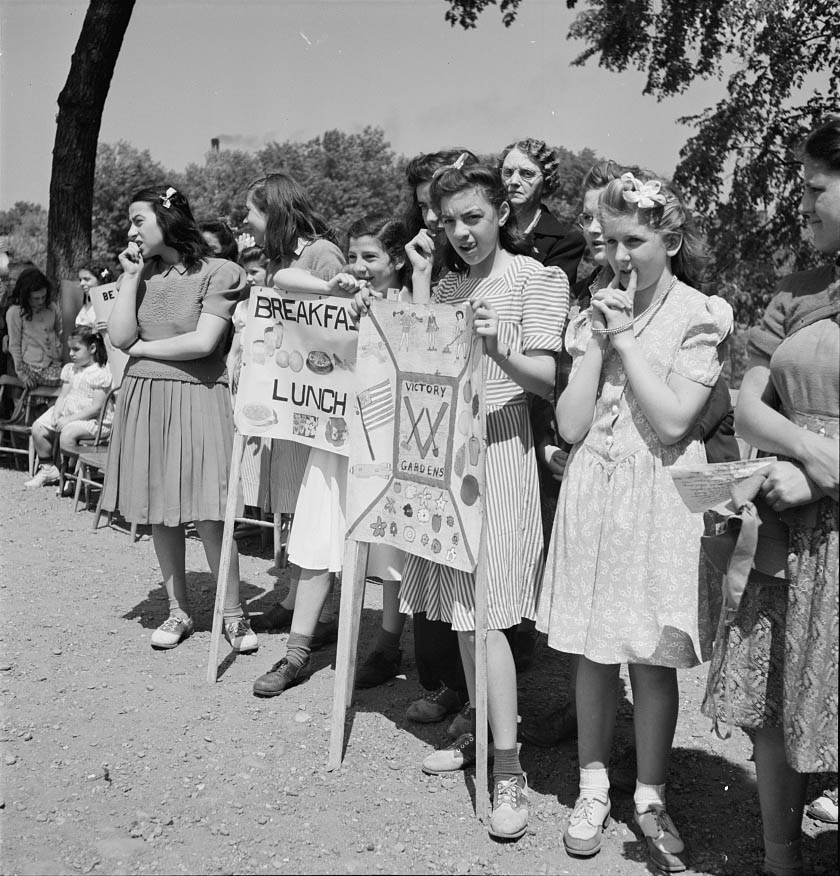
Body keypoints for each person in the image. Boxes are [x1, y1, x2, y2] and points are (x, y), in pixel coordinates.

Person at [537, 171, 733, 870]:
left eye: (636, 241)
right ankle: (593, 783)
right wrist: (593, 345)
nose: (620, 257)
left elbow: (677, 419)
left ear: (671, 240)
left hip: (658, 493)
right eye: (611, 241)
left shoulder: (700, 314)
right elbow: (569, 422)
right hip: (597, 486)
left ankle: (649, 792)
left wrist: (622, 342)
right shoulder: (596, 310)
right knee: (593, 647)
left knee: (650, 653)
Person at [394, 162, 569, 840]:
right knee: (465, 617)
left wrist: (498, 347)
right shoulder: (447, 280)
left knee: (491, 616)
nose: (461, 232)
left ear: (500, 211)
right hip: (445, 456)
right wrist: (415, 284)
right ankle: (481, 726)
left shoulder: (534, 279)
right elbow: (421, 360)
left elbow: (550, 382)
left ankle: (508, 769)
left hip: (498, 455)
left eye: (473, 218)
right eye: (449, 222)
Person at [702, 116, 839, 876]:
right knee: (775, 701)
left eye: (816, 187)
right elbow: (749, 404)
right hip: (790, 521)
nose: (804, 203)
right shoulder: (797, 284)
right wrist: (809, 459)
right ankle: (781, 860)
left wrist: (820, 468)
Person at [101, 184, 259, 654]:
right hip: (145, 397)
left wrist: (143, 349)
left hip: (201, 395)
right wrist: (129, 279)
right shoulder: (141, 274)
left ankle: (233, 614)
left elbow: (203, 342)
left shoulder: (220, 271)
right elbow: (119, 334)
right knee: (159, 510)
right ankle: (179, 610)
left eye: (137, 220)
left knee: (211, 511)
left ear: (166, 219)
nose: (131, 230)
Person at [240, 172, 348, 647]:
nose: (246, 220)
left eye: (252, 211)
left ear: (274, 212)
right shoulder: (282, 259)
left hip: (320, 410)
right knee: (297, 510)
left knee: (316, 509)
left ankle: (319, 614)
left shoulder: (322, 254)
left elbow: (338, 328)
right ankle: (292, 603)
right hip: (289, 404)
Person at [394, 150, 479, 733]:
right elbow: (420, 349)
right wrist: (420, 281)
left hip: (478, 436)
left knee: (472, 578)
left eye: (442, 210)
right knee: (428, 561)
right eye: (426, 208)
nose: (434, 221)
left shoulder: (493, 269)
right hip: (430, 435)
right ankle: (446, 683)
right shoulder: (434, 270)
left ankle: (478, 697)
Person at [343, 212, 411, 689]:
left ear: (398, 260)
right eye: (353, 256)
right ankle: (375, 638)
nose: (360, 265)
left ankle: (399, 642)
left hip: (405, 437)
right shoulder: (349, 300)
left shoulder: (412, 302)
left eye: (371, 256)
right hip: (360, 434)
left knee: (400, 546)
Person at [25, 326, 112, 488]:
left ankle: (70, 473)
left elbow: (96, 407)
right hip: (69, 412)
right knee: (38, 428)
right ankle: (48, 468)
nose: (71, 353)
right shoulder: (70, 369)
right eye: (70, 349)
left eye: (76, 349)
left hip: (94, 420)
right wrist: (57, 414)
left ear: (92, 348)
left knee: (67, 435)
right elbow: (63, 396)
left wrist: (69, 420)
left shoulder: (100, 373)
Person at [498, 138, 586, 285]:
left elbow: (548, 298)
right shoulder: (488, 227)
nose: (513, 181)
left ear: (546, 183)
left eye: (526, 174)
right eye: (508, 173)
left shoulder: (565, 243)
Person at [6, 267, 62, 388]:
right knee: (69, 381)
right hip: (31, 366)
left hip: (53, 363)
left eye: (43, 297)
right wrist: (22, 375)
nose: (41, 301)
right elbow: (14, 345)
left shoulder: (51, 307)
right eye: (36, 298)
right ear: (25, 296)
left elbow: (58, 333)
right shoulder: (15, 312)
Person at [75, 262, 115, 330]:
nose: (81, 283)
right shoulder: (88, 306)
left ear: (100, 280)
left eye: (86, 279)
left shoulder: (116, 302)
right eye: (80, 280)